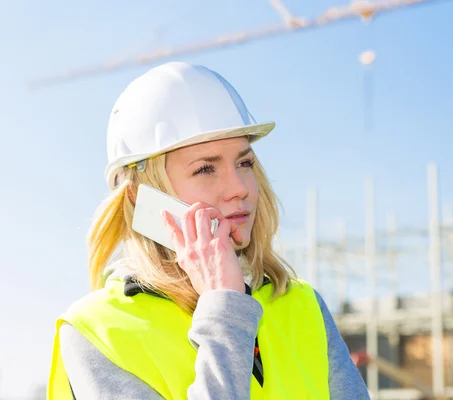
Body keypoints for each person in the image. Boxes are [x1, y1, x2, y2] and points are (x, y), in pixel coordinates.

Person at [47, 61, 370, 400]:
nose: (239, 187)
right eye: (205, 169)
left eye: (244, 163)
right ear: (140, 196)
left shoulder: (302, 306)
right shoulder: (96, 332)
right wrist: (226, 311)